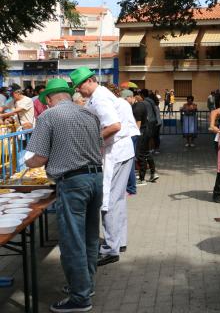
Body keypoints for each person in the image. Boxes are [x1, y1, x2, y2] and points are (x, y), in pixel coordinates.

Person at [25, 78, 103, 312]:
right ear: (68, 95)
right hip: (96, 178)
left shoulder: (48, 116)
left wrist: (27, 162)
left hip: (73, 182)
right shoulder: (89, 114)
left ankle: (80, 298)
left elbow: (39, 157)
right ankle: (85, 285)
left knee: (72, 241)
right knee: (90, 237)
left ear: (49, 99)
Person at [70, 67, 139, 266]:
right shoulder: (101, 96)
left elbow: (114, 126)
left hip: (115, 153)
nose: (78, 90)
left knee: (108, 200)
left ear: (91, 81)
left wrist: (93, 142)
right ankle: (119, 242)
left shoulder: (100, 98)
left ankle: (110, 249)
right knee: (117, 199)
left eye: (79, 86)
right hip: (121, 151)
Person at [121, 90, 142, 195]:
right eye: (131, 97)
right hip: (133, 134)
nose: (132, 99)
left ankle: (131, 188)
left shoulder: (125, 105)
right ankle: (131, 187)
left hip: (131, 135)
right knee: (130, 161)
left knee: (129, 162)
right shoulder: (127, 105)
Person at [138, 89, 159, 183]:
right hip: (151, 127)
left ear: (142, 94)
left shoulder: (144, 103)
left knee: (142, 152)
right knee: (146, 151)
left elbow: (144, 116)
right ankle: (153, 172)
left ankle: (142, 177)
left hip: (145, 128)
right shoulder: (150, 101)